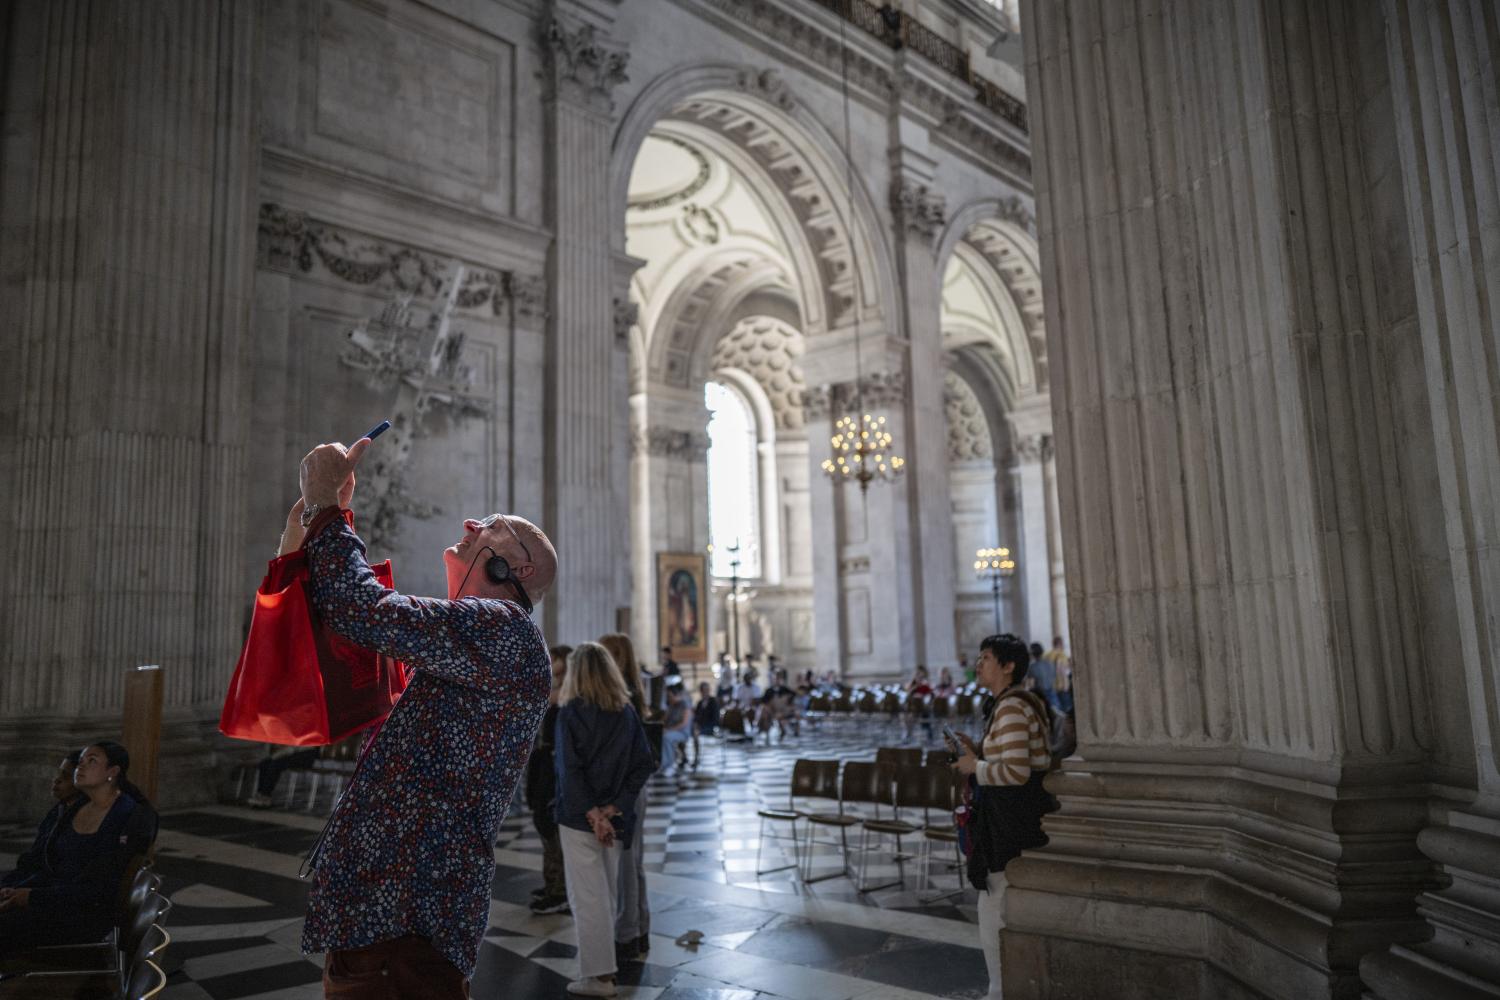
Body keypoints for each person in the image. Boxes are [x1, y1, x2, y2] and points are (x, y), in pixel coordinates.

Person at [286, 438, 557, 998]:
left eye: (495, 524)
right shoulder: (465, 644)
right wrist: (311, 523)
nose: (470, 521)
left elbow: (363, 610)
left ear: (519, 566)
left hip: (406, 907)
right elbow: (344, 634)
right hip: (385, 909)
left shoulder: (504, 630)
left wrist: (329, 512)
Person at [952, 634, 1054, 1000]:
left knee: (993, 902)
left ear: (1008, 666)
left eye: (986, 658)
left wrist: (972, 766)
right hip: (1010, 816)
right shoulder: (1008, 704)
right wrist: (977, 751)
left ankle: (999, 990)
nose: (978, 664)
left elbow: (1016, 773)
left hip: (1010, 819)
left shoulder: (1011, 707)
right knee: (994, 900)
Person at [554, 643, 656, 998]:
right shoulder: (625, 711)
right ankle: (603, 970)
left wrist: (595, 813)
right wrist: (615, 807)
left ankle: (598, 977)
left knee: (587, 899)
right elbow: (644, 763)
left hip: (580, 820)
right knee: (607, 896)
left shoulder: (570, 712)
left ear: (577, 673)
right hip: (615, 820)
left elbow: (569, 771)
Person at [1, 742, 159, 953]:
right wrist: (16, 890)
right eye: (81, 762)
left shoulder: (127, 816)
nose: (81, 767)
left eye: (91, 761)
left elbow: (100, 888)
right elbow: (51, 865)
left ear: (112, 772)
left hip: (85, 915)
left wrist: (32, 896)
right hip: (55, 899)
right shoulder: (76, 807)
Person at [596, 633, 654, 969]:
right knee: (635, 862)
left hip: (624, 790)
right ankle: (641, 928)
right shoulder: (633, 691)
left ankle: (627, 935)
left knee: (627, 865)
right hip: (634, 787)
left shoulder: (621, 698)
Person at [527, 645, 574, 915]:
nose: (550, 662)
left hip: (554, 764)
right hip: (543, 760)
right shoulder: (556, 687)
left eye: (554, 658)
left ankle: (559, 890)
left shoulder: (569, 690)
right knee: (542, 821)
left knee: (549, 822)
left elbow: (546, 697)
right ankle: (551, 883)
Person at [660, 685, 692, 778]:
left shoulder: (685, 705)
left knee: (666, 737)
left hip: (682, 732)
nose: (668, 698)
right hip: (670, 730)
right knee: (659, 735)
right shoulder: (671, 705)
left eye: (670, 696)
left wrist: (669, 730)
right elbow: (664, 720)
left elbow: (684, 723)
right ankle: (661, 763)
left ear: (675, 695)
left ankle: (669, 765)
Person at [757, 670, 798, 742]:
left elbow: (793, 696)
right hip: (772, 711)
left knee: (794, 712)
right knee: (764, 712)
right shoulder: (769, 690)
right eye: (775, 678)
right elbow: (764, 702)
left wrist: (788, 704)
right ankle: (764, 731)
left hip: (783, 710)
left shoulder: (785, 689)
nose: (777, 680)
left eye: (778, 678)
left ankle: (789, 731)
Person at [690, 682, 720, 768]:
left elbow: (715, 719)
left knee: (695, 734)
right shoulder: (699, 703)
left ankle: (696, 757)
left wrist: (701, 725)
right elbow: (696, 716)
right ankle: (684, 756)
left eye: (707, 690)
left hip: (711, 727)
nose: (705, 692)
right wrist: (696, 724)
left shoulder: (713, 701)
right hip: (700, 726)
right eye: (703, 690)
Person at [1026, 641, 1061, 714]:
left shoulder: (1032, 667)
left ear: (1032, 654)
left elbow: (1031, 685)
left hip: (1041, 698)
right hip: (1053, 697)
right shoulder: (1050, 664)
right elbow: (1055, 677)